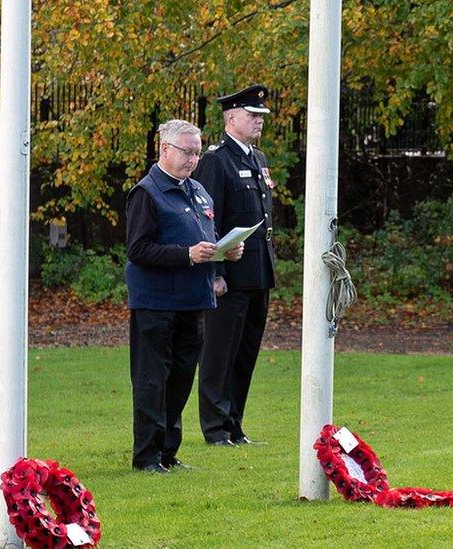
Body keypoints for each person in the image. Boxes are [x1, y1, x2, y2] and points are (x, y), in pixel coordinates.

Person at [126, 119, 243, 473]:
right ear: (165, 149)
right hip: (157, 302)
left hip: (194, 300)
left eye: (196, 152)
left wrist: (226, 254)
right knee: (152, 380)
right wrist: (187, 255)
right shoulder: (147, 193)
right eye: (186, 152)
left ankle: (167, 452)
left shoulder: (198, 191)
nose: (193, 159)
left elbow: (208, 232)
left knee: (180, 379)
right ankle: (146, 455)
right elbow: (138, 249)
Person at [193, 84, 277, 446]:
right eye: (252, 115)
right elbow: (208, 218)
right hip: (229, 275)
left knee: (245, 353)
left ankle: (234, 424)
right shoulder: (217, 159)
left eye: (260, 116)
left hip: (257, 273)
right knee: (219, 352)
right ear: (231, 118)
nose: (258, 121)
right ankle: (215, 428)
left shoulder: (256, 158)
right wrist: (216, 272)